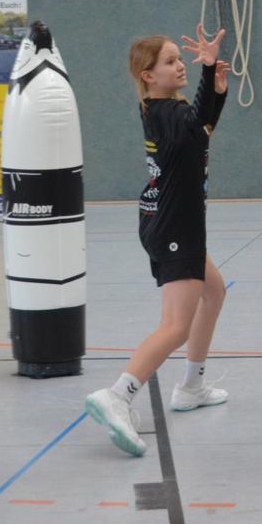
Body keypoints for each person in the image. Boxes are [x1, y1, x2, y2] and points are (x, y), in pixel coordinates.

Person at [83, 27, 231, 456]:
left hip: (173, 223)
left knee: (214, 292)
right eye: (170, 61)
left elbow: (200, 131)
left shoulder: (168, 109)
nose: (179, 65)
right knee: (175, 326)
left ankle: (192, 386)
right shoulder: (167, 112)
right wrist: (208, 72)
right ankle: (119, 395)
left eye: (179, 59)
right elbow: (194, 125)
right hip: (175, 228)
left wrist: (217, 92)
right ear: (147, 76)